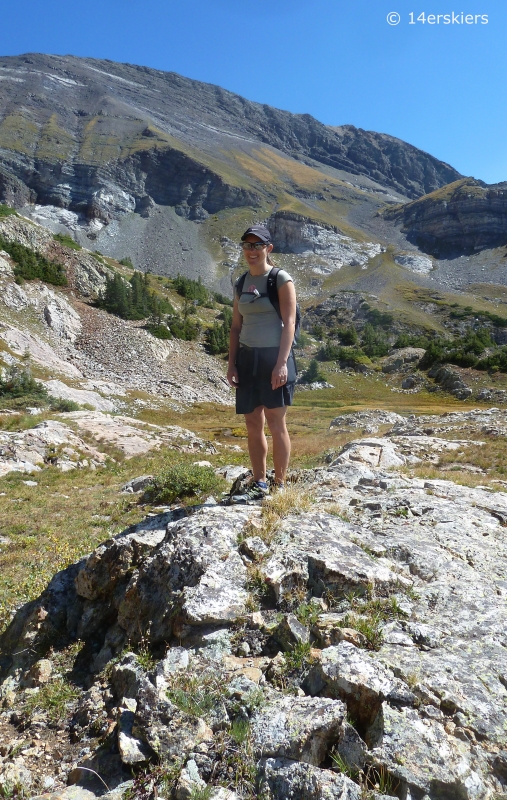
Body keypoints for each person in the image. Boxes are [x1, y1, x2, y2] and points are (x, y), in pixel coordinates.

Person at [226, 225, 297, 503]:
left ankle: (280, 484)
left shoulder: (280, 279)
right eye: (247, 245)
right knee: (253, 422)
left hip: (274, 358)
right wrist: (232, 364)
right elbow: (235, 327)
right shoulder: (241, 283)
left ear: (269, 248)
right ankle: (259, 482)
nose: (251, 251)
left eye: (257, 245)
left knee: (276, 422)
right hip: (247, 359)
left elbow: (290, 323)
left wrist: (281, 364)